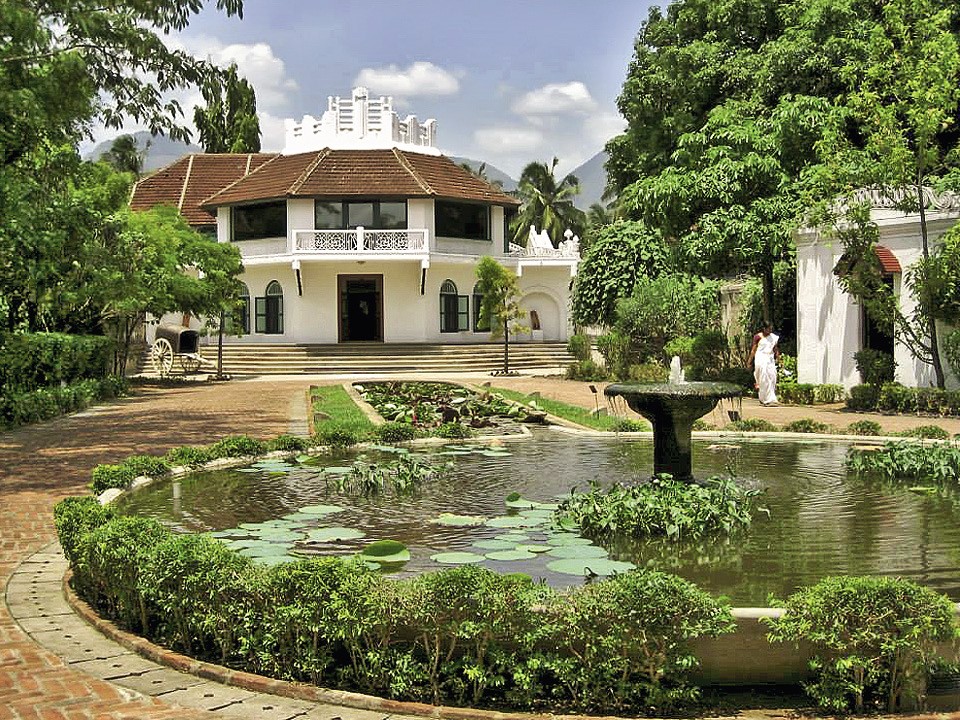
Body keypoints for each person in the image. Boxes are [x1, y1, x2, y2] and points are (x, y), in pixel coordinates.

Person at [747, 323, 781, 405]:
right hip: (760, 358)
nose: (770, 331)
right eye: (768, 329)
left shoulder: (773, 337)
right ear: (764, 328)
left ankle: (771, 398)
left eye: (771, 329)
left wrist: (779, 358)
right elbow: (753, 350)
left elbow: (775, 349)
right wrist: (749, 361)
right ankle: (765, 399)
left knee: (772, 376)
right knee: (763, 378)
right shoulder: (758, 337)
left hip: (770, 359)